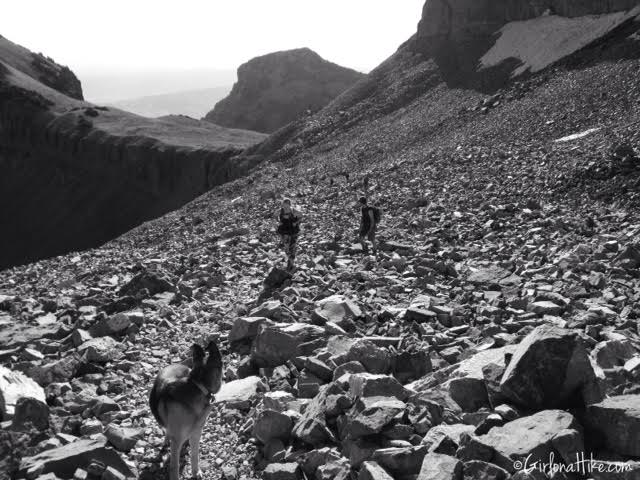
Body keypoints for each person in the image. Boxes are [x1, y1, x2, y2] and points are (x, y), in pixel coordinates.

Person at [276, 198, 301, 271]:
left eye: (287, 205)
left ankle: (291, 263)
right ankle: (290, 261)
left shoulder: (294, 211)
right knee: (286, 246)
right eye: (284, 205)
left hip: (293, 231)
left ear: (289, 205)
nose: (285, 207)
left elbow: (301, 216)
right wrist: (278, 221)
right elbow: (274, 216)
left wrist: (296, 223)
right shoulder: (280, 211)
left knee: (292, 246)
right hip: (283, 231)